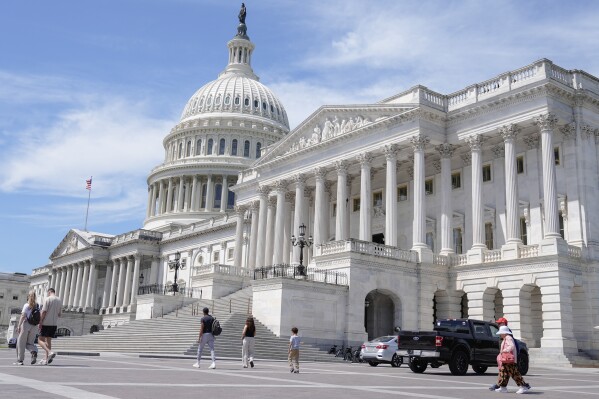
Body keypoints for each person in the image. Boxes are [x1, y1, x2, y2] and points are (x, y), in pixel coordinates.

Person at [489, 318, 531, 392]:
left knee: (514, 373)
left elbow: (511, 346)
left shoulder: (508, 337)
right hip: (505, 359)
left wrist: (504, 351)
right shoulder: (505, 337)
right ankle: (503, 387)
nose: (500, 335)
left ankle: (523, 386)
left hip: (509, 359)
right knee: (504, 373)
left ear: (504, 332)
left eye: (501, 333)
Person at [37, 288, 62, 365]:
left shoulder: (47, 299)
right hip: (54, 324)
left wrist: (40, 321)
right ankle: (46, 359)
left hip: (46, 323)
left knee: (40, 340)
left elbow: (44, 311)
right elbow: (59, 314)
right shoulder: (59, 300)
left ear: (49, 292)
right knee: (48, 341)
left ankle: (49, 352)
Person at [14, 291, 39, 366]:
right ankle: (34, 351)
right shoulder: (37, 305)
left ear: (28, 296)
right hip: (34, 326)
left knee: (20, 343)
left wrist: (19, 325)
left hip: (26, 325)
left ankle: (20, 360)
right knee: (30, 343)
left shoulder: (26, 305)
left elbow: (23, 316)